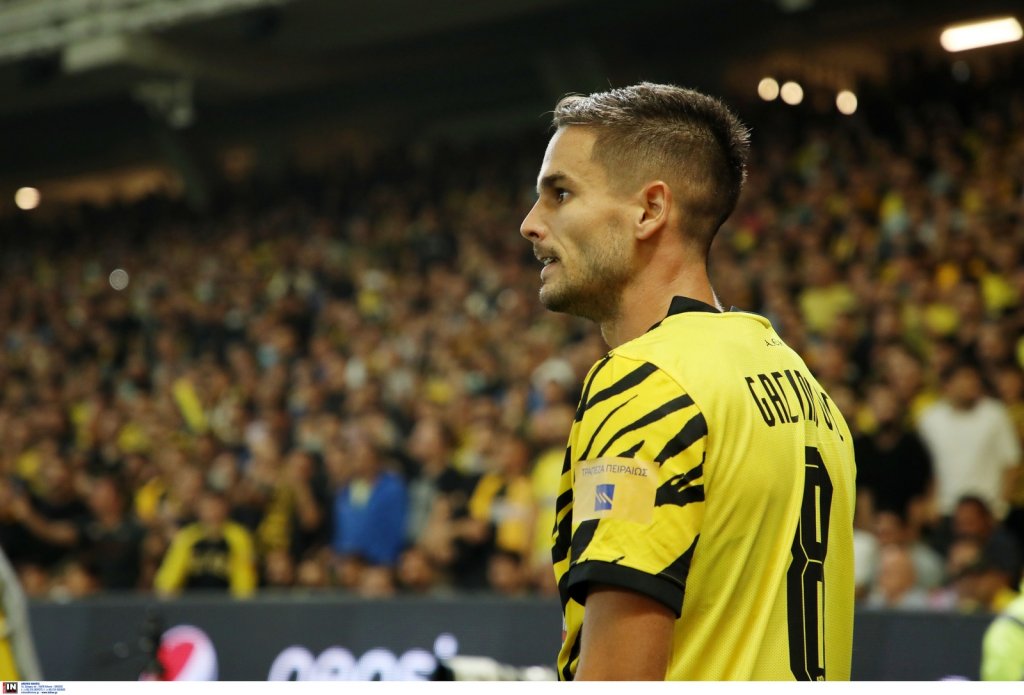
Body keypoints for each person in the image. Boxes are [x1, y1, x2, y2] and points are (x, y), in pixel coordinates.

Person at [519, 82, 856, 680]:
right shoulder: (800, 383)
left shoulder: (646, 382)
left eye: (560, 194)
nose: (530, 224)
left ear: (650, 210)